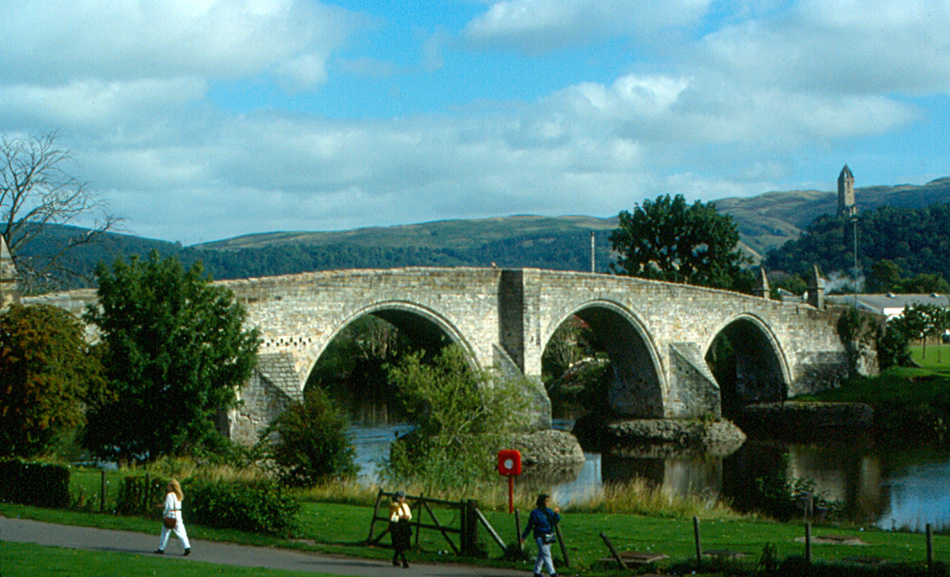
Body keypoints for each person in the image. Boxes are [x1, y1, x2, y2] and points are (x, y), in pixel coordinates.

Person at [520, 493, 560, 577]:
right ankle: (552, 573)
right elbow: (530, 525)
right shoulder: (535, 513)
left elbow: (555, 521)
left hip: (548, 534)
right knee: (546, 554)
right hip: (540, 535)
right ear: (542, 502)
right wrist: (524, 536)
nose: (548, 503)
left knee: (542, 554)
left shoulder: (548, 511)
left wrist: (556, 514)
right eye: (546, 501)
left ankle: (537, 572)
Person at [155, 479, 191, 556]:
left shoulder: (169, 495)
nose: (167, 487)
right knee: (182, 532)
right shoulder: (179, 495)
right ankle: (187, 547)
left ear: (172, 487)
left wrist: (164, 513)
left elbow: (168, 507)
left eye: (169, 485)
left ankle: (161, 548)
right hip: (178, 514)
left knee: (165, 532)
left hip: (170, 515)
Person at [388, 490, 412, 568]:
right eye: (401, 497)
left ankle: (395, 559)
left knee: (402, 543)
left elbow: (409, 515)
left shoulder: (405, 505)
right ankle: (404, 561)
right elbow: (392, 517)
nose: (402, 499)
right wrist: (400, 517)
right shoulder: (393, 505)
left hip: (404, 525)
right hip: (396, 525)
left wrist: (407, 516)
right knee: (399, 543)